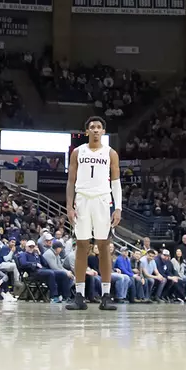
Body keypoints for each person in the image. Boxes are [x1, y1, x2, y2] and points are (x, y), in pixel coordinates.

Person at [64, 116, 120, 311]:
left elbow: (116, 182)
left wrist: (118, 207)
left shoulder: (111, 153)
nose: (96, 130)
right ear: (86, 131)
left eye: (99, 127)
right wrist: (69, 206)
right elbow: (71, 181)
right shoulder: (77, 152)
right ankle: (79, 295)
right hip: (82, 200)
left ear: (103, 131)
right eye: (92, 127)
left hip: (103, 200)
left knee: (104, 246)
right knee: (82, 245)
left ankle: (106, 295)